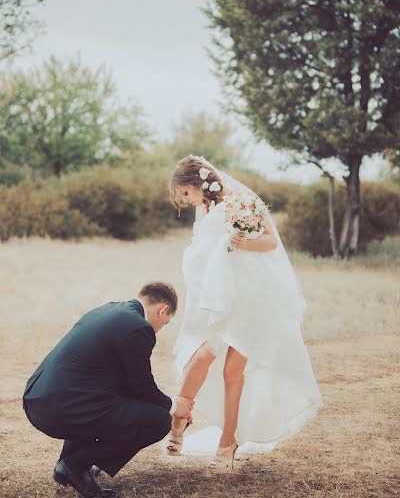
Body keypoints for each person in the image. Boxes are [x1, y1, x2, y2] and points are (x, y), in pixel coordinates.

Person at [167, 155, 323, 471]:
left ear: (197, 181)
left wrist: (243, 243)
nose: (186, 200)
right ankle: (179, 420)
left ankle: (228, 443)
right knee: (199, 359)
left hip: (248, 301)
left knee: (231, 373)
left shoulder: (243, 202)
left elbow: (269, 242)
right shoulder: (206, 208)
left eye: (185, 192)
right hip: (218, 300)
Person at [23, 281, 194, 498]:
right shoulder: (139, 327)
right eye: (166, 322)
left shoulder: (108, 309)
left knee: (113, 403)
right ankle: (74, 465)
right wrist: (174, 406)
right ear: (163, 310)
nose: (161, 328)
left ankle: (69, 466)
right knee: (158, 421)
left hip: (38, 399)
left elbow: (127, 386)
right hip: (63, 407)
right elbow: (142, 387)